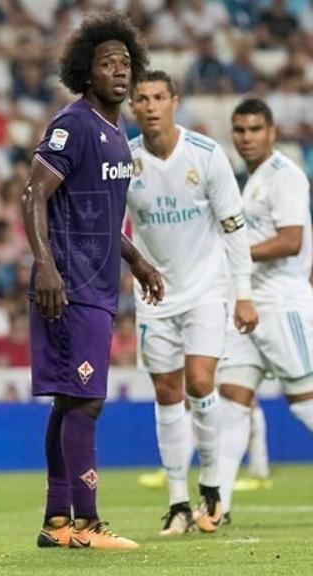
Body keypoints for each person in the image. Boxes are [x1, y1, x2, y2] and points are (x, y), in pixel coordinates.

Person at [21, 12, 162, 550]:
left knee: (70, 402)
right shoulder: (74, 123)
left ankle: (58, 522)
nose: (119, 72)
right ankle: (87, 523)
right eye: (107, 64)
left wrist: (138, 261)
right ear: (87, 72)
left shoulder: (116, 134)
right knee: (85, 403)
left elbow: (102, 215)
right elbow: (35, 195)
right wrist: (48, 266)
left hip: (99, 283)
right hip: (71, 285)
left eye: (125, 63)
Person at [126, 70, 258, 535]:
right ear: (131, 106)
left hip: (206, 290)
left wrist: (242, 293)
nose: (150, 105)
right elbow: (112, 229)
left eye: (159, 97)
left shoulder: (206, 155)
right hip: (153, 297)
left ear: (174, 101)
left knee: (201, 382)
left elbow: (234, 227)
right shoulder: (124, 161)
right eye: (141, 98)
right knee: (165, 393)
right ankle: (178, 502)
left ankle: (213, 488)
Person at [217, 98, 313, 524]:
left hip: (282, 301)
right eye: (240, 130)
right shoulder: (248, 181)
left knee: (305, 400)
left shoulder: (284, 176)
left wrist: (235, 253)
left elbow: (291, 240)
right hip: (248, 300)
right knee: (232, 400)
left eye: (255, 129)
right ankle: (216, 504)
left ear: (272, 132)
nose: (247, 137)